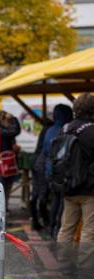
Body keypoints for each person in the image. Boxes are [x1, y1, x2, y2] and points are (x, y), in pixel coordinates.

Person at [56, 93, 94, 251]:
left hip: (68, 186)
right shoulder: (92, 130)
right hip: (89, 188)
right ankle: (85, 268)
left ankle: (64, 263)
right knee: (89, 230)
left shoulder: (64, 129)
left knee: (66, 228)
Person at [30, 104, 73, 232]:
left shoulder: (50, 129)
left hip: (42, 165)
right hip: (52, 169)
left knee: (42, 196)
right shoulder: (61, 130)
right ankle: (50, 225)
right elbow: (55, 153)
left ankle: (43, 222)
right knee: (53, 199)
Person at [0, 110, 21, 211]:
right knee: (4, 188)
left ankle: (2, 209)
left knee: (0, 187)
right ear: (2, 119)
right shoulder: (1, 131)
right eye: (6, 120)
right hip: (3, 163)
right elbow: (16, 131)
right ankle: (1, 211)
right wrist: (14, 118)